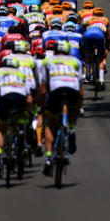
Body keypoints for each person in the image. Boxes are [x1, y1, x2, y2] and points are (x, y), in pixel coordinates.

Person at [39, 40, 84, 176]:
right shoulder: (75, 61)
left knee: (50, 124)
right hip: (72, 90)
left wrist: (42, 106)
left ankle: (48, 157)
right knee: (74, 109)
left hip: (56, 91)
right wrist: (80, 106)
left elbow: (42, 88)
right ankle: (72, 129)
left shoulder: (48, 61)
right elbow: (81, 88)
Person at [0, 55, 37, 178]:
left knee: (1, 129)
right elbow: (29, 97)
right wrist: (29, 111)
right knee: (20, 120)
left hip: (4, 99)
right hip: (19, 99)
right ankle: (20, 131)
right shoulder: (21, 73)